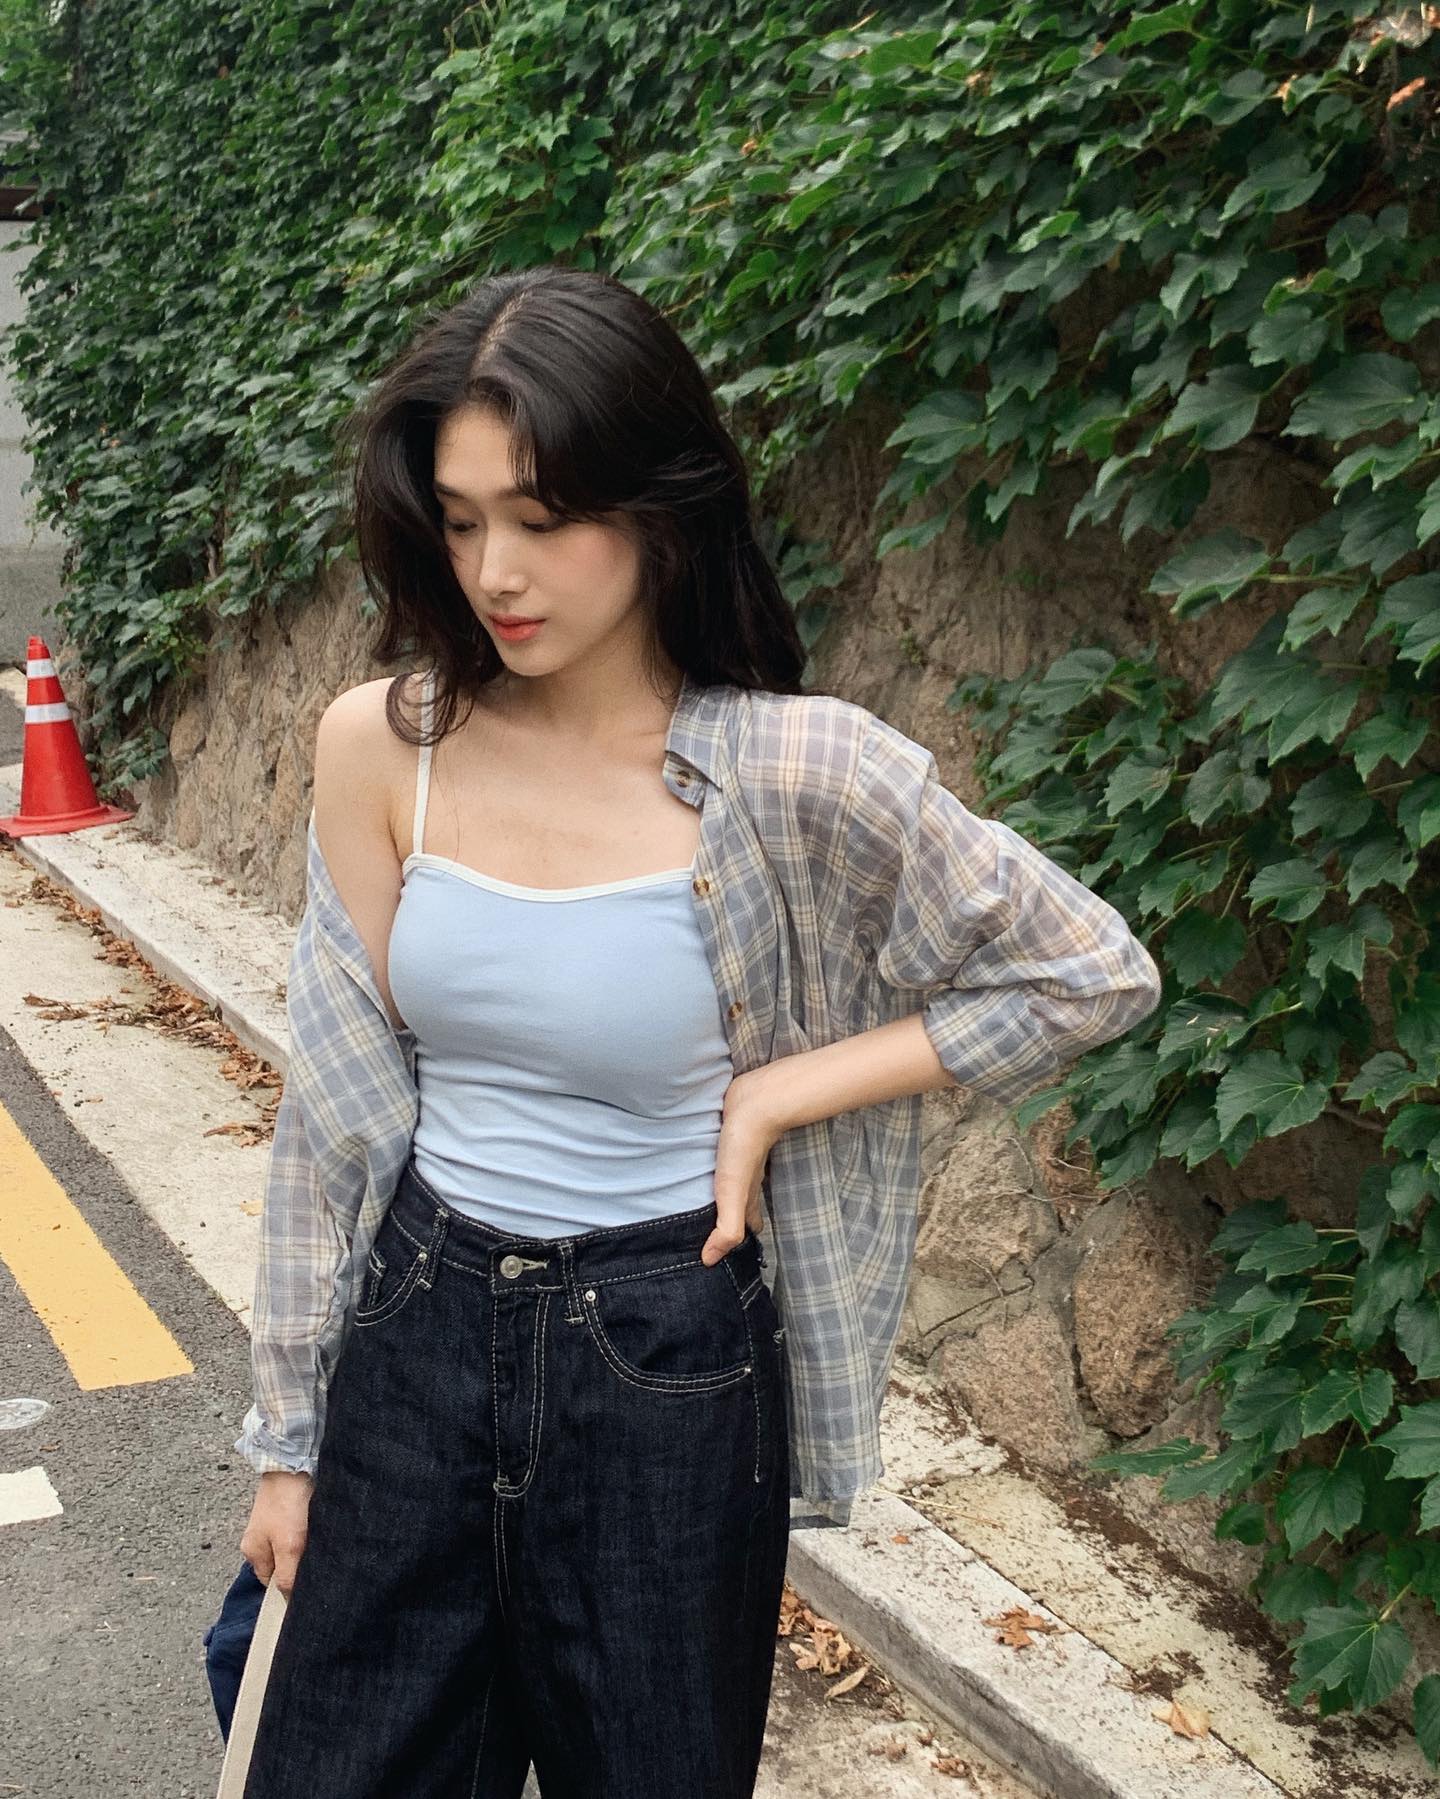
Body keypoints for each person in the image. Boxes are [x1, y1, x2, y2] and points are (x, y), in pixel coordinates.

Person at [223, 264, 1164, 1797]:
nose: (495, 572)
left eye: (542, 518)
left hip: (663, 1364)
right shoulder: (383, 746)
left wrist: (780, 1093)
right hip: (415, 1330)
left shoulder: (799, 771)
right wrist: (288, 1440)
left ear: (659, 506)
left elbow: (1090, 972)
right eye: (460, 521)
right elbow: (333, 1120)